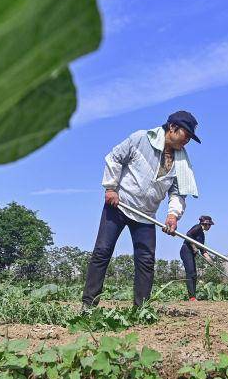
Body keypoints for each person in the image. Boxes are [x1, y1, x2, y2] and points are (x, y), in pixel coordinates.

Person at [81, 111, 201, 309]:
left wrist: (172, 215)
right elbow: (115, 157)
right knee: (102, 252)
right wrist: (111, 187)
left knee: (146, 261)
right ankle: (88, 305)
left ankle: (141, 309)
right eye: (186, 135)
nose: (187, 140)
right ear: (172, 128)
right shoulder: (141, 139)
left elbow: (178, 193)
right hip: (119, 205)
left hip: (146, 215)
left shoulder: (181, 162)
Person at [181, 215, 214, 301]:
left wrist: (210, 260)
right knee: (190, 272)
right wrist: (194, 247)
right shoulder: (197, 227)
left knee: (194, 275)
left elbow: (202, 249)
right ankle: (191, 297)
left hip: (191, 253)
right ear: (205, 224)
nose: (210, 227)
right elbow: (188, 235)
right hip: (186, 251)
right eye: (209, 225)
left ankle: (193, 296)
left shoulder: (202, 235)